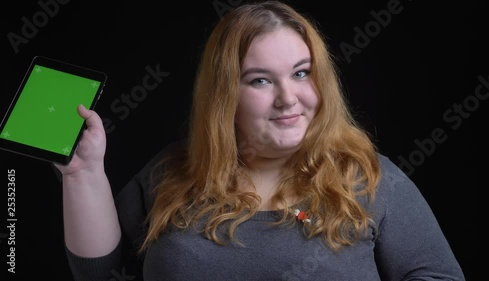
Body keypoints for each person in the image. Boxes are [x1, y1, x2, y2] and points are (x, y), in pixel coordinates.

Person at [55, 1, 466, 280]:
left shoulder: (369, 177)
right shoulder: (172, 172)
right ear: (224, 94)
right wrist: (83, 174)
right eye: (261, 80)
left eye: (302, 73)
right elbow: (98, 273)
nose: (289, 97)